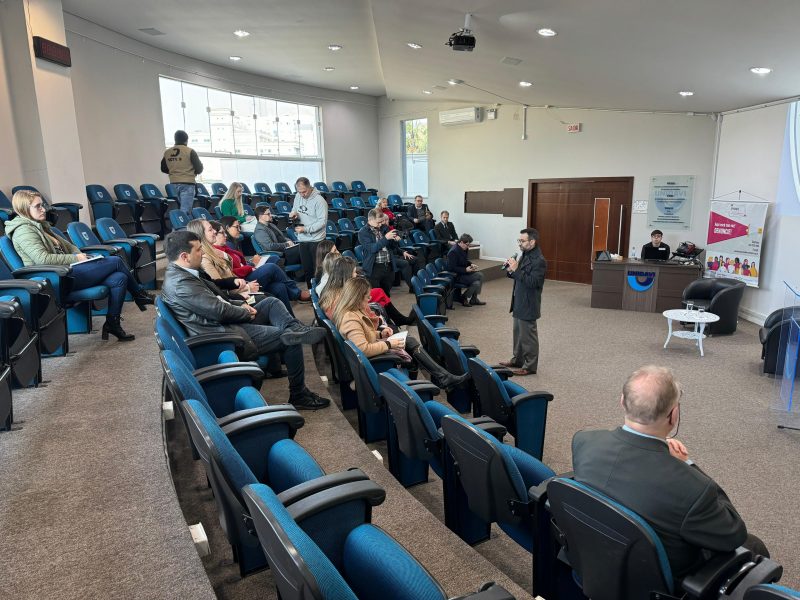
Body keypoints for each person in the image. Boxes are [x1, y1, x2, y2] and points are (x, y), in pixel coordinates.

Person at [572, 365, 769, 578]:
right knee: (754, 545)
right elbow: (733, 534)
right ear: (673, 415)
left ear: (622, 401)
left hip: (597, 558)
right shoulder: (693, 488)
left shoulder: (584, 441)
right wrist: (688, 464)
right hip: (658, 581)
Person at [160, 230, 330, 410]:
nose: (203, 253)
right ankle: (299, 394)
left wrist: (238, 304)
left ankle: (297, 327)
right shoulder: (181, 284)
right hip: (223, 333)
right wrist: (243, 311)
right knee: (290, 338)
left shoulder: (186, 273)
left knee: (271, 303)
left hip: (227, 322)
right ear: (185, 256)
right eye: (198, 250)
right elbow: (218, 311)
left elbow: (217, 299)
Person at [7, 190, 154, 341]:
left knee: (119, 277)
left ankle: (112, 323)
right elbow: (41, 259)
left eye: (42, 205)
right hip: (54, 280)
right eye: (37, 206)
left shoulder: (42, 226)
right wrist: (77, 258)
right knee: (115, 261)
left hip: (67, 272)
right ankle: (139, 294)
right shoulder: (24, 231)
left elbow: (70, 246)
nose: (43, 209)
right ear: (24, 209)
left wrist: (82, 257)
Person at [333, 277, 466, 390]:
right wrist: (389, 344)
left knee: (409, 341)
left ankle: (441, 377)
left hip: (371, 354)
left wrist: (380, 334)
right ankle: (437, 379)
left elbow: (363, 335)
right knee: (410, 349)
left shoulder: (354, 311)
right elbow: (362, 349)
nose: (369, 301)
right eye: (367, 298)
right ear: (356, 298)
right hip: (371, 362)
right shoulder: (350, 319)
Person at [214, 218, 310, 315]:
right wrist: (250, 267)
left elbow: (240, 264)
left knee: (279, 287)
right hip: (242, 280)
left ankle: (291, 321)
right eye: (236, 227)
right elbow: (233, 272)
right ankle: (296, 293)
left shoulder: (227, 246)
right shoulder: (221, 251)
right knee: (271, 267)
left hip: (247, 272)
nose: (239, 229)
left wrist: (251, 263)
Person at [500, 228, 545, 376]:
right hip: (519, 300)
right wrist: (511, 269)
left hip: (528, 303)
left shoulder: (539, 260)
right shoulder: (525, 253)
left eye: (522, 241)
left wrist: (516, 270)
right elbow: (520, 275)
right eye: (519, 240)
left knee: (528, 337)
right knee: (518, 333)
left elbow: (534, 282)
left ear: (532, 242)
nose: (520, 243)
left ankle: (530, 366)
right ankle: (517, 360)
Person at [319, 255, 414, 326]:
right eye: (354, 272)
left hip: (351, 322)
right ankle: (393, 323)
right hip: (355, 327)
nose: (356, 275)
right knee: (378, 299)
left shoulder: (331, 289)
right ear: (346, 275)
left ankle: (394, 322)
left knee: (378, 294)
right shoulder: (342, 296)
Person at [290, 177, 328, 288]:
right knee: (307, 269)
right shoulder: (298, 196)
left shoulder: (320, 201)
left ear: (310, 187)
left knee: (318, 270)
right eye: (299, 192)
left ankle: (321, 295)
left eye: (304, 191)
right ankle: (312, 295)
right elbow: (295, 209)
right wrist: (293, 214)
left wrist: (306, 229)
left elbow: (322, 222)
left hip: (316, 240)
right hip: (302, 239)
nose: (302, 194)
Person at [358, 208, 401, 297]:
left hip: (387, 266)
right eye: (379, 222)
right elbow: (372, 248)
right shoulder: (363, 232)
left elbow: (392, 247)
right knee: (376, 297)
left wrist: (395, 240)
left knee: (386, 295)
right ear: (370, 220)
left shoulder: (384, 227)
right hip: (374, 268)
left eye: (382, 222)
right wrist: (386, 238)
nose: (381, 224)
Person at [160, 129, 203, 214]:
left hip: (173, 184)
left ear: (175, 139)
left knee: (179, 209)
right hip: (187, 184)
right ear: (186, 140)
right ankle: (183, 227)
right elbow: (199, 168)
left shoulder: (167, 152)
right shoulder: (190, 151)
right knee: (185, 211)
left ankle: (178, 225)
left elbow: (163, 168)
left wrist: (174, 172)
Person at [447, 233, 485, 307]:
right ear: (461, 242)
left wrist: (470, 264)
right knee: (479, 276)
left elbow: (464, 260)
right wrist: (465, 270)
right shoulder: (453, 252)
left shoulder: (464, 248)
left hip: (464, 273)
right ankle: (466, 298)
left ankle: (471, 299)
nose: (468, 246)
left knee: (477, 282)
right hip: (456, 276)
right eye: (467, 244)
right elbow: (451, 268)